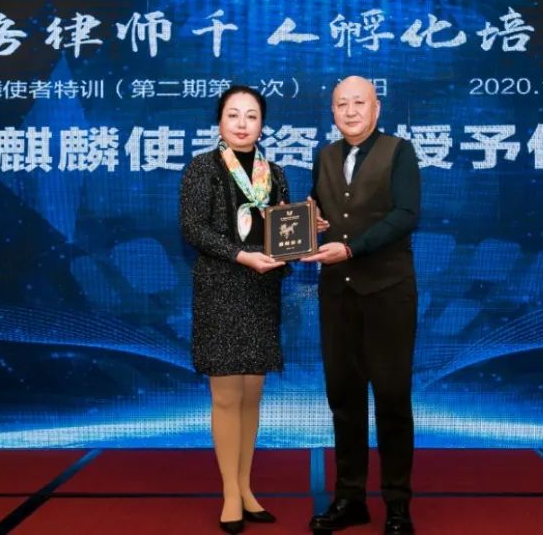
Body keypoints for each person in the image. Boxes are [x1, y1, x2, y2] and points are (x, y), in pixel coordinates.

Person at [302, 76, 420, 535]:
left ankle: (397, 505)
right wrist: (314, 222)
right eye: (341, 104)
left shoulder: (399, 151)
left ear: (377, 108)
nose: (350, 112)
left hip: (388, 294)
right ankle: (349, 498)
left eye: (359, 103)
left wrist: (352, 248)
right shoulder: (325, 156)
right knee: (344, 401)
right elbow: (323, 213)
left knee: (392, 400)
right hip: (338, 296)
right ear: (332, 112)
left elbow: (406, 215)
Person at [179, 85, 289, 534]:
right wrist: (241, 255)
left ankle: (246, 488)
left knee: (251, 394)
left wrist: (303, 233)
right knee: (225, 396)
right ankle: (229, 493)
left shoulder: (274, 173)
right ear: (219, 121)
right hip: (220, 289)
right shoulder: (202, 168)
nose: (242, 124)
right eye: (233, 115)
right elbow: (193, 229)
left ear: (263, 124)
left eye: (252, 116)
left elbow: (283, 232)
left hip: (261, 292)